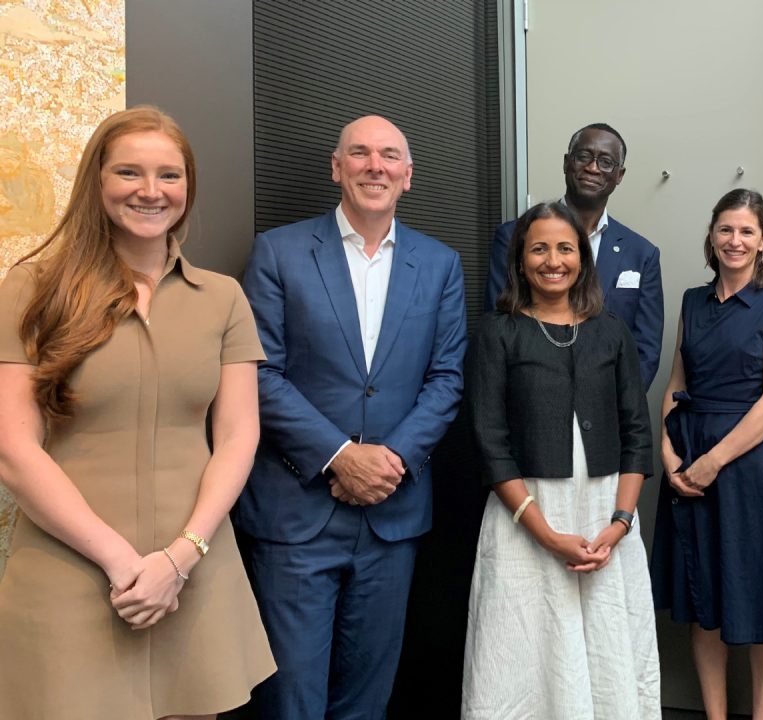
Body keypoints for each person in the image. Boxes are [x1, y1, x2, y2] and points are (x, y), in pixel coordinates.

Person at [0, 106, 275, 718]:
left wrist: (179, 561)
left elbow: (237, 437)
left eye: (169, 176)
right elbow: (14, 451)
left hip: (195, 574)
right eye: (129, 172)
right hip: (70, 578)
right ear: (96, 182)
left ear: (188, 187)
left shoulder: (224, 298)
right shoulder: (31, 289)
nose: (151, 191)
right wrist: (124, 564)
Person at [238, 115, 466, 719]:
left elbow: (446, 379)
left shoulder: (439, 264)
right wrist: (341, 456)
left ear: (408, 176)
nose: (376, 166)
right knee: (291, 699)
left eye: (390, 155)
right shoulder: (279, 252)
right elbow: (256, 372)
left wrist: (386, 462)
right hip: (296, 512)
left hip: (392, 515)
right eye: (360, 154)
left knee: (366, 700)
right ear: (336, 168)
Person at [462, 202, 660, 718]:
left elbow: (638, 432)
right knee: (523, 653)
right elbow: (489, 439)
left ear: (583, 258)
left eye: (566, 248)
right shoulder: (496, 332)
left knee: (609, 646)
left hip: (606, 519)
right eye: (540, 248)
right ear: (520, 259)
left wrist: (620, 524)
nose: (554, 260)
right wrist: (546, 533)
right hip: (524, 518)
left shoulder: (612, 331)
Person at [650, 188, 763, 720]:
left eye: (746, 231)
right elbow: (675, 384)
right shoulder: (691, 302)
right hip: (689, 458)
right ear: (712, 236)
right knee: (706, 602)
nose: (735, 240)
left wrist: (712, 462)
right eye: (726, 229)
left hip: (750, 466)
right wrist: (667, 453)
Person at [483, 123, 663, 389]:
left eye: (605, 162)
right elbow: (500, 323)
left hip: (606, 410)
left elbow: (646, 350)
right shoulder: (514, 236)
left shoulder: (641, 254)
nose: (592, 168)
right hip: (530, 398)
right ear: (567, 163)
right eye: (583, 157)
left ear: (620, 175)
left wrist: (616, 409)